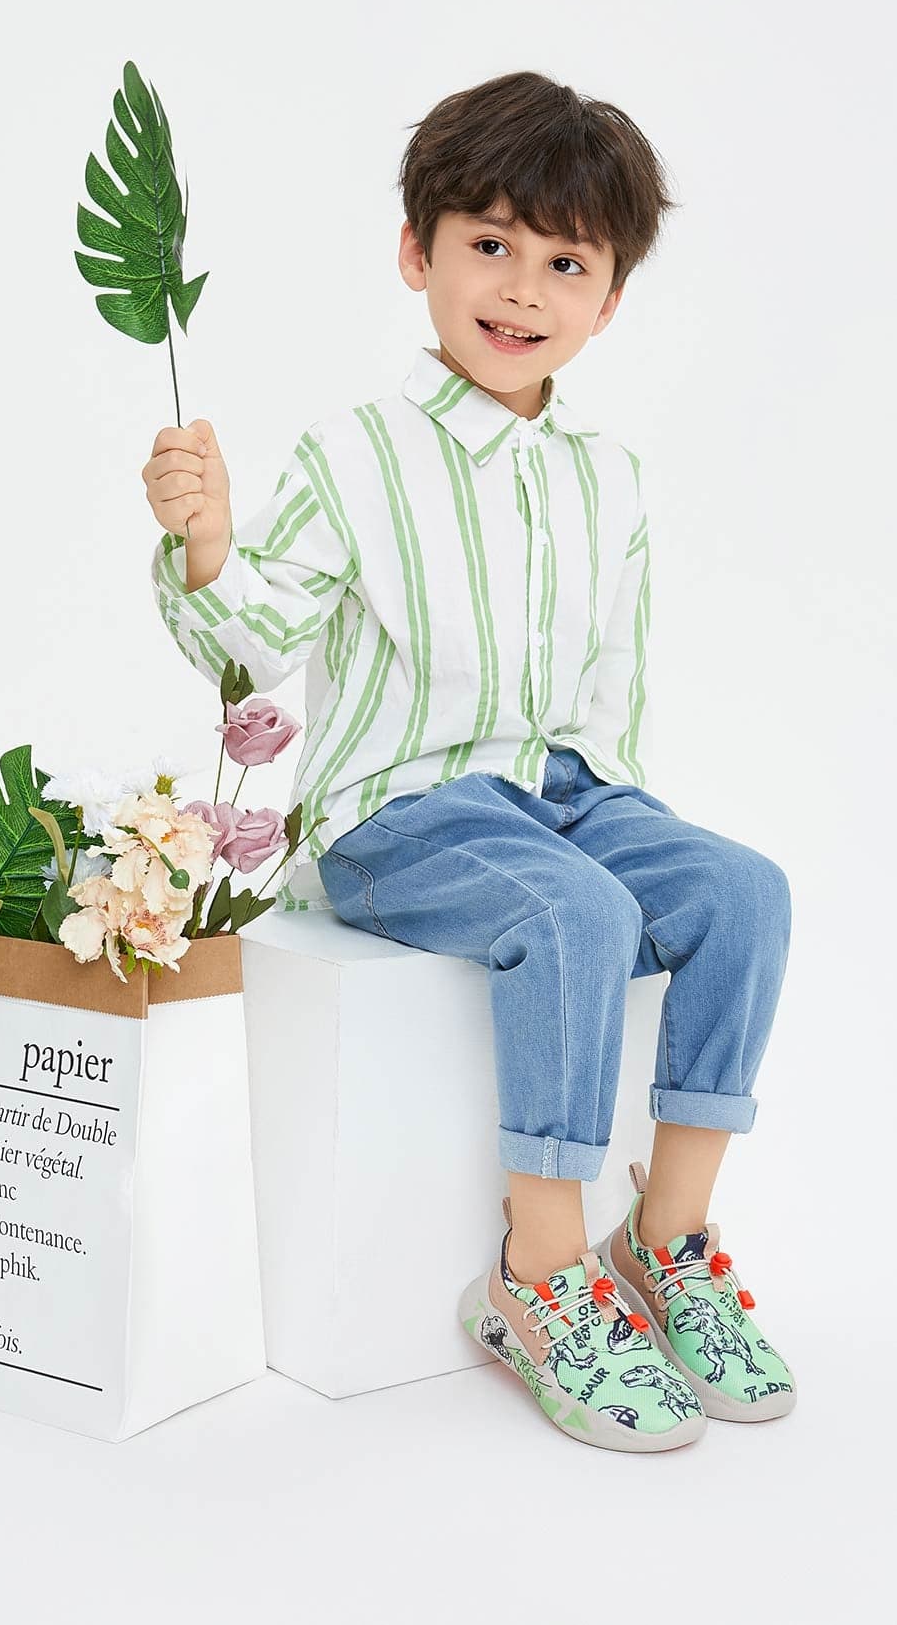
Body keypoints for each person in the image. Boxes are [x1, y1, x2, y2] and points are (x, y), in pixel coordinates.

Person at [143, 70, 795, 1453]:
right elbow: (254, 640)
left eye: (566, 262)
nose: (521, 289)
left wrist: (627, 829)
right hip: (404, 813)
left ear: (609, 300)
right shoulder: (357, 455)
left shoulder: (611, 479)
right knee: (576, 914)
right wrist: (205, 542)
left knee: (743, 892)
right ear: (417, 252)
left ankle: (664, 1243)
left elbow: (611, 691)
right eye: (490, 242)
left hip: (564, 798)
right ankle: (538, 1277)